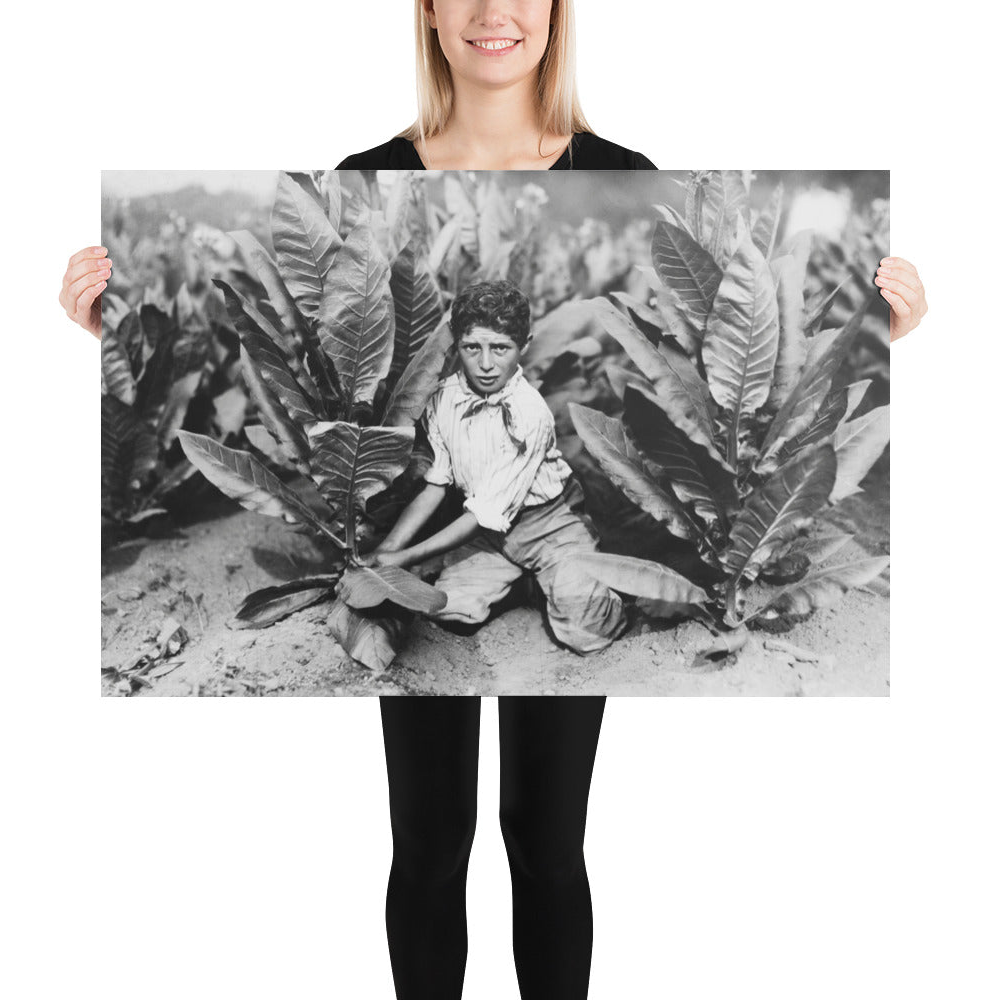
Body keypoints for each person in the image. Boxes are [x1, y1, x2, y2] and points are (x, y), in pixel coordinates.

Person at [67, 3, 926, 998]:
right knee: (432, 835)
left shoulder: (616, 169)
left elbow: (490, 496)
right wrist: (109, 332)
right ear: (426, 14)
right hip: (469, 522)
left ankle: (633, 595)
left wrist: (886, 330)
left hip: (536, 520)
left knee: (545, 833)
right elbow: (430, 475)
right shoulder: (365, 175)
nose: (491, 12)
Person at [348, 278, 627, 654]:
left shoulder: (530, 414)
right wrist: (388, 547)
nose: (485, 364)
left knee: (586, 631)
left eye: (500, 348)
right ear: (457, 344)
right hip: (491, 535)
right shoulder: (443, 398)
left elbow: (484, 513)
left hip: (550, 525)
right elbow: (437, 484)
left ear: (523, 347)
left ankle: (584, 579)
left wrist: (403, 558)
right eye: (471, 347)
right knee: (447, 608)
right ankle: (524, 585)